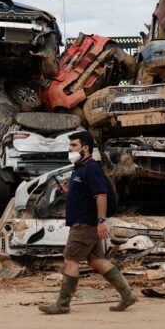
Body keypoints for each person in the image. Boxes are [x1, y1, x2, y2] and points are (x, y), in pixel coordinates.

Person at [39, 131, 137, 315]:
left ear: (85, 148)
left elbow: (101, 196)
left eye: (74, 145)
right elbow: (85, 195)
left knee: (70, 260)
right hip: (84, 221)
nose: (70, 149)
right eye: (70, 146)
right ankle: (127, 295)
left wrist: (101, 221)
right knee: (96, 260)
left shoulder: (92, 168)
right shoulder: (79, 168)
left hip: (84, 224)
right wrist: (68, 191)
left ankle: (62, 304)